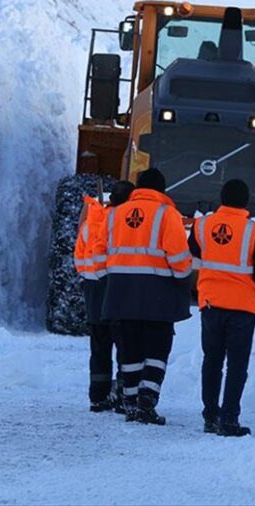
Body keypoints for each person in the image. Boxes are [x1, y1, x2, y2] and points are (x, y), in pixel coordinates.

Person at [98, 168, 192, 425]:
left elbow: (99, 251)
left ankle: (129, 402)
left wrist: (105, 277)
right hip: (157, 294)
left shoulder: (114, 214)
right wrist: (184, 275)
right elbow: (179, 258)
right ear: (161, 190)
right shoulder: (166, 214)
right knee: (157, 350)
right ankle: (146, 402)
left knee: (130, 350)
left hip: (120, 292)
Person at [189, 179, 255, 436]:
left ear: (222, 198)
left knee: (212, 361)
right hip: (242, 308)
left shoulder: (203, 225)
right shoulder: (254, 231)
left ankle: (210, 416)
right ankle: (229, 419)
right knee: (237, 365)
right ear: (246, 201)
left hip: (210, 303)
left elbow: (192, 250)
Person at [74, 181, 135, 413]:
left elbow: (79, 257)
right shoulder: (122, 224)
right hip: (115, 290)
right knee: (124, 346)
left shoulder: (91, 222)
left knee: (99, 348)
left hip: (92, 291)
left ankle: (98, 396)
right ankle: (122, 395)